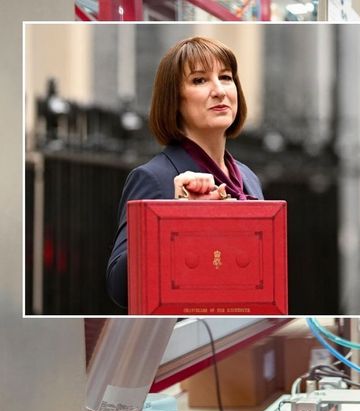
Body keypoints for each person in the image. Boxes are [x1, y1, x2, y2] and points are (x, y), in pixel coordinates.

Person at [106, 36, 264, 309]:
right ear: (174, 100)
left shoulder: (249, 178)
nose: (219, 91)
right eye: (200, 80)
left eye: (226, 77)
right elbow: (119, 288)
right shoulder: (154, 177)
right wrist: (179, 218)